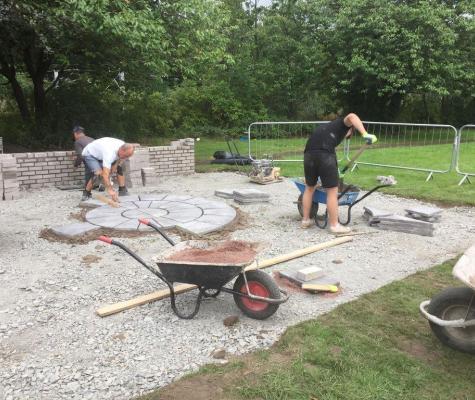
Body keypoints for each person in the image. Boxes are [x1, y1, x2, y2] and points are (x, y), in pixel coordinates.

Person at [301, 113, 377, 234]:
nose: (347, 137)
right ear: (351, 128)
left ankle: (305, 220)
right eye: (350, 135)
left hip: (308, 154)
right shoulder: (343, 123)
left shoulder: (327, 128)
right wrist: (365, 134)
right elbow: (352, 116)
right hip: (324, 154)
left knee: (309, 187)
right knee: (332, 191)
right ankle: (334, 225)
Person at [81, 137, 134, 202]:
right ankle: (86, 193)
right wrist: (111, 190)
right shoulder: (109, 153)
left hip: (101, 154)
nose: (126, 158)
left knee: (119, 167)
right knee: (99, 174)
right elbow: (105, 175)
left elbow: (120, 158)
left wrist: (116, 165)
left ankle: (122, 189)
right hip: (90, 154)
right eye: (125, 156)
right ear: (121, 150)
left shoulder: (123, 145)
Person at [72, 126, 95, 199]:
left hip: (89, 161)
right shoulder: (92, 139)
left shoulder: (78, 142)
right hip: (98, 160)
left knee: (88, 177)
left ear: (76, 134)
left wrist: (76, 164)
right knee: (94, 177)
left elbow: (81, 156)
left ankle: (86, 195)